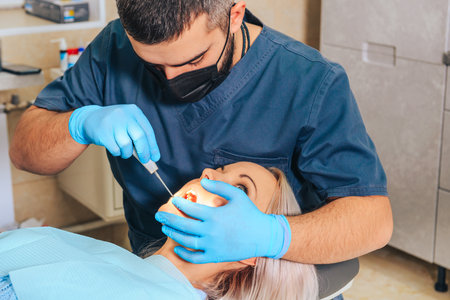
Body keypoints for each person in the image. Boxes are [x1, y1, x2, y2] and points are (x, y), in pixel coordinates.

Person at [9, 1, 393, 295]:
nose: (172, 80)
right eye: (153, 67)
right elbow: (26, 152)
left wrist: (272, 235)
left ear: (235, 12)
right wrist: (80, 124)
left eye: (194, 59)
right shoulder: (113, 47)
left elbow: (374, 220)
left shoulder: (309, 81)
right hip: (147, 271)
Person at [0, 162, 318, 300]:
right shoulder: (125, 265)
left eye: (240, 189)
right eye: (220, 170)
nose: (208, 174)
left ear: (251, 250)